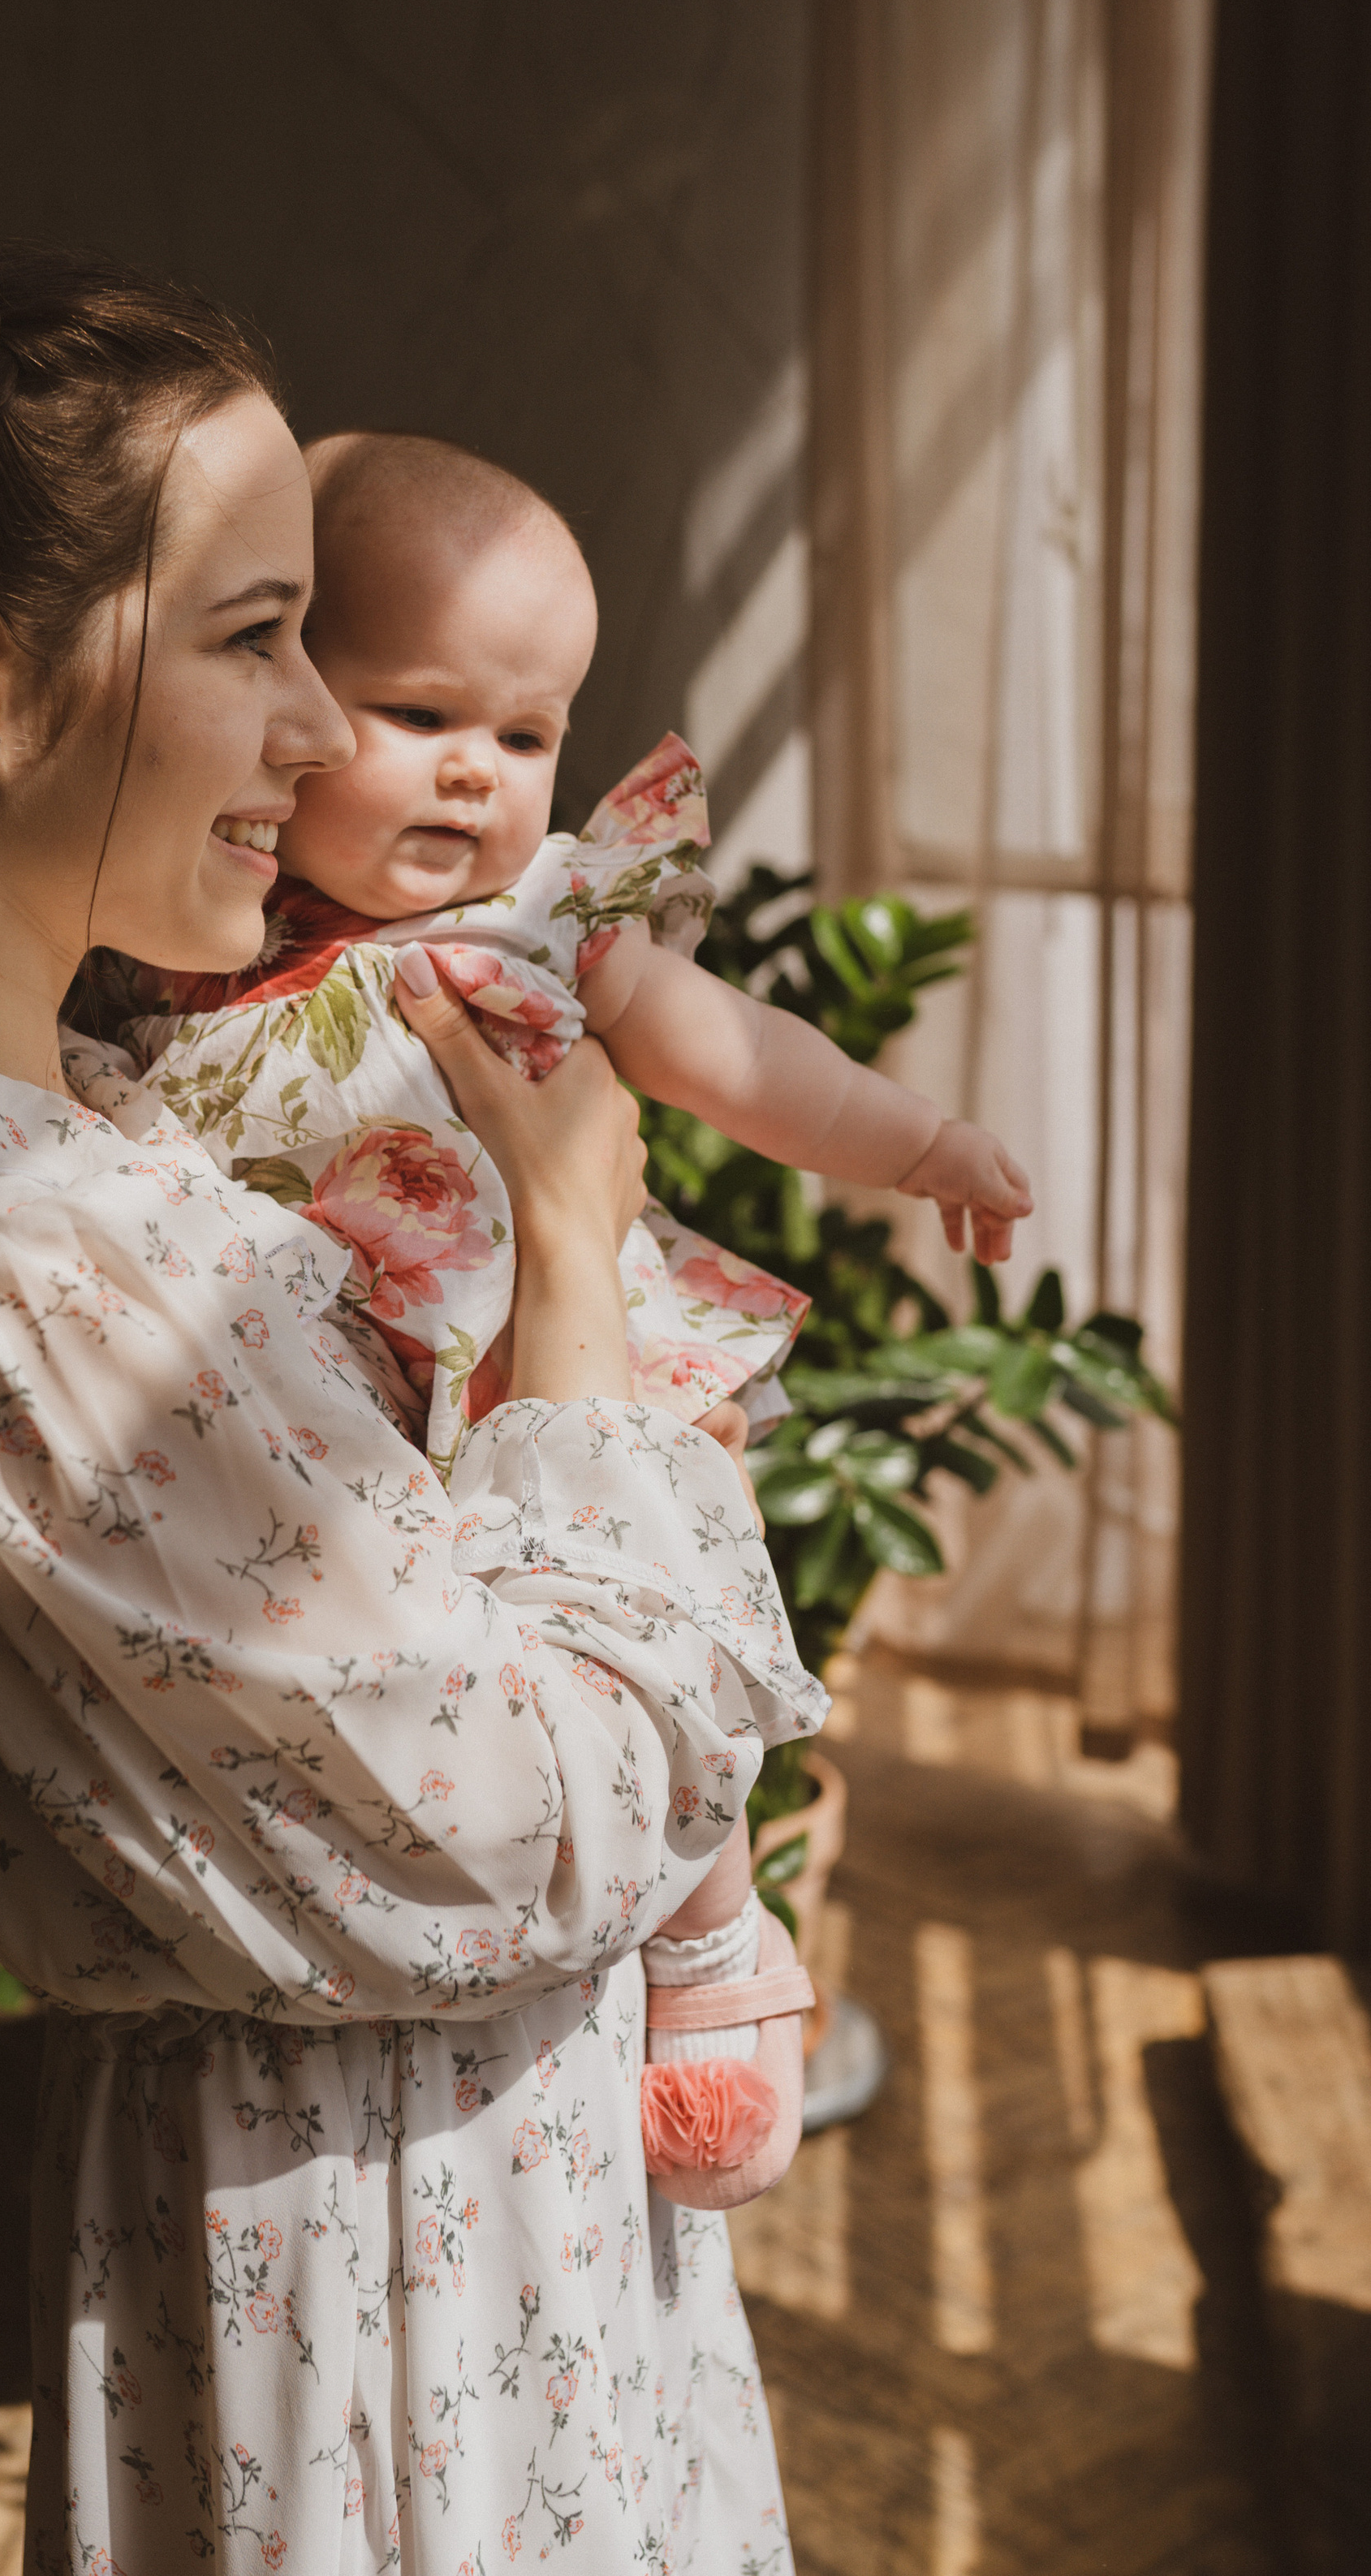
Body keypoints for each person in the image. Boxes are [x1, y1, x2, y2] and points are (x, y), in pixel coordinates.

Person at [0, 246, 829, 2573]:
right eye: (259, 637)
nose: (321, 730)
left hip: (396, 2200)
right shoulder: (7, 1273)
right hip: (391, 2281)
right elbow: (528, 1836)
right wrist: (576, 1249)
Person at [84, 430, 1036, 2195]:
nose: (477, 773)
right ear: (285, 699)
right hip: (349, 1439)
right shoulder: (182, 933)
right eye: (419, 712)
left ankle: (714, 1936)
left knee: (658, 1609)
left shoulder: (538, 921)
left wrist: (918, 1144)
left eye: (526, 737)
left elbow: (733, 1052)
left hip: (562, 1360)